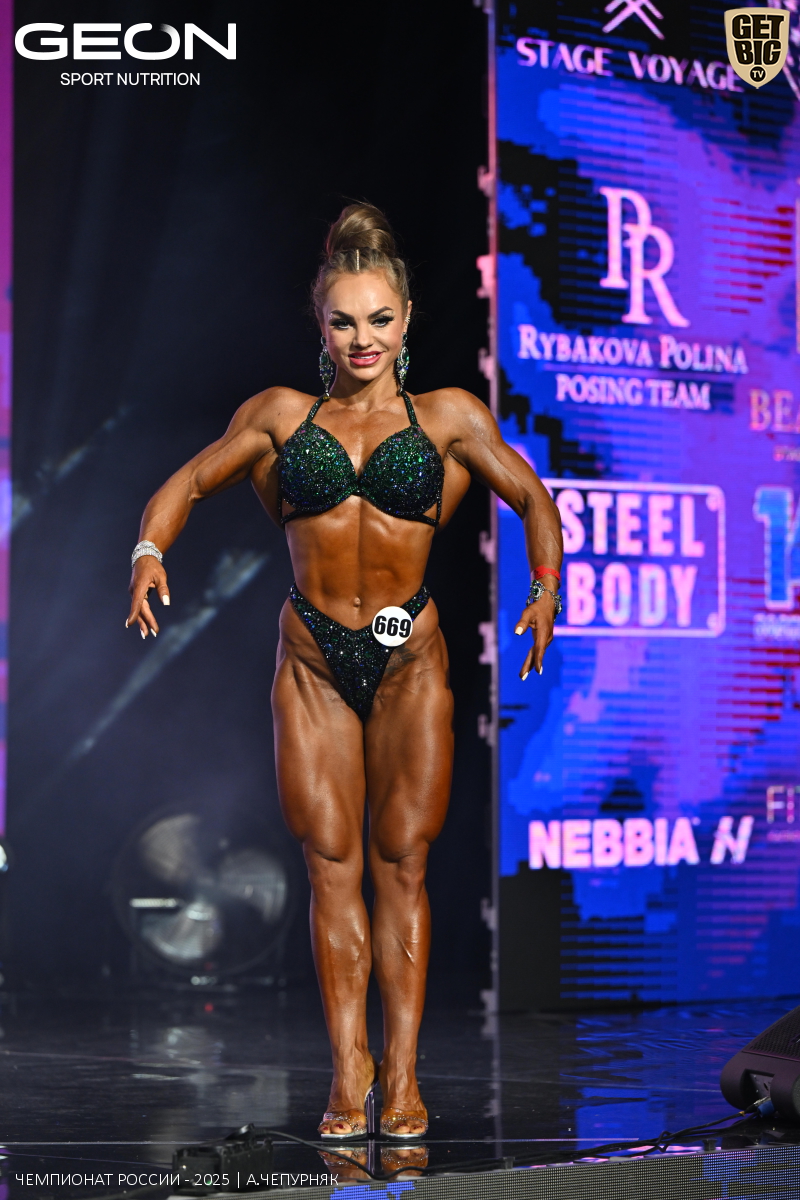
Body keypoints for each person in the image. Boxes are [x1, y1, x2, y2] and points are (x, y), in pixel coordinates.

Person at [126, 203, 563, 1140]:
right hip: (314, 663)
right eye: (343, 321)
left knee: (403, 866)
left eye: (379, 319)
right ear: (319, 325)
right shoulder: (282, 417)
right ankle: (347, 1068)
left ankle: (401, 1077)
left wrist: (546, 586)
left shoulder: (448, 416)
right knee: (331, 868)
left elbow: (531, 496)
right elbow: (189, 482)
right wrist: (148, 553)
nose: (362, 338)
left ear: (406, 321)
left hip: (410, 663)